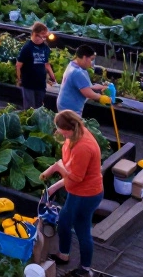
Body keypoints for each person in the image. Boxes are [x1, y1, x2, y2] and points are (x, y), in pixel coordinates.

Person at [41, 110, 104, 275]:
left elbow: (76, 177)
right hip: (79, 191)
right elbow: (71, 170)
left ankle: (84, 269)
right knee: (64, 222)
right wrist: (54, 187)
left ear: (69, 129)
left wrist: (56, 167)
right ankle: (64, 254)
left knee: (81, 228)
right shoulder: (75, 135)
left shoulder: (83, 147)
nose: (59, 132)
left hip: (86, 195)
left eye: (61, 129)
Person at [56, 45, 108, 115]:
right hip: (70, 109)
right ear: (84, 57)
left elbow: (87, 85)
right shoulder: (77, 72)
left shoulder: (73, 65)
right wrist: (102, 98)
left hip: (65, 105)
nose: (92, 64)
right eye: (91, 59)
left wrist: (102, 87)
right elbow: (88, 93)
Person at [17, 22, 56, 110]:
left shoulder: (45, 47)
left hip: (41, 83)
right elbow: (18, 65)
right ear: (34, 34)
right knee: (29, 108)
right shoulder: (27, 47)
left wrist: (52, 76)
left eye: (45, 36)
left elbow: (46, 63)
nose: (43, 38)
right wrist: (19, 79)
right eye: (42, 36)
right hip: (29, 83)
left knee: (39, 107)